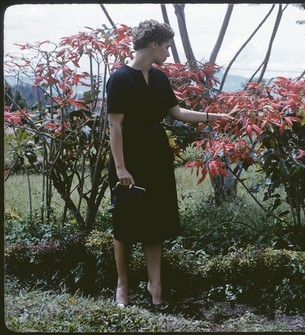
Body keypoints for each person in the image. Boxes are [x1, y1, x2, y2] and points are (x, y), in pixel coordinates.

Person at [106, 19, 229, 311]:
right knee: (124, 224)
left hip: (156, 154)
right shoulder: (119, 79)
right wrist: (121, 168)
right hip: (129, 156)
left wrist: (213, 118)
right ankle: (122, 285)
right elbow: (115, 127)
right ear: (153, 45)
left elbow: (176, 112)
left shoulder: (159, 77)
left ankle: (155, 286)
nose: (168, 52)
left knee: (155, 223)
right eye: (166, 46)